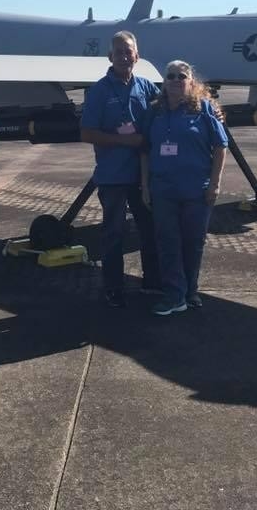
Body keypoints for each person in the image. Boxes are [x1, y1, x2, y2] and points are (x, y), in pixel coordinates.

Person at [80, 31, 162, 307]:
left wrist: (210, 107)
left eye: (129, 51)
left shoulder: (146, 87)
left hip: (142, 176)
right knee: (113, 233)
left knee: (149, 229)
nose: (125, 56)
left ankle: (152, 282)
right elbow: (87, 133)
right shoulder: (99, 91)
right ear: (110, 57)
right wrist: (124, 140)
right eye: (119, 52)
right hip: (113, 176)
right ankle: (113, 286)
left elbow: (173, 104)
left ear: (137, 56)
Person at [140, 60, 228, 315]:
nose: (176, 80)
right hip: (163, 190)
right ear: (164, 83)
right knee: (168, 242)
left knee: (193, 242)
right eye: (171, 76)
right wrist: (145, 185)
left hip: (196, 191)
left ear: (191, 82)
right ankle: (175, 295)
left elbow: (221, 146)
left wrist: (215, 184)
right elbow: (145, 150)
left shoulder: (204, 110)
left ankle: (190, 291)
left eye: (182, 76)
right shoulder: (154, 112)